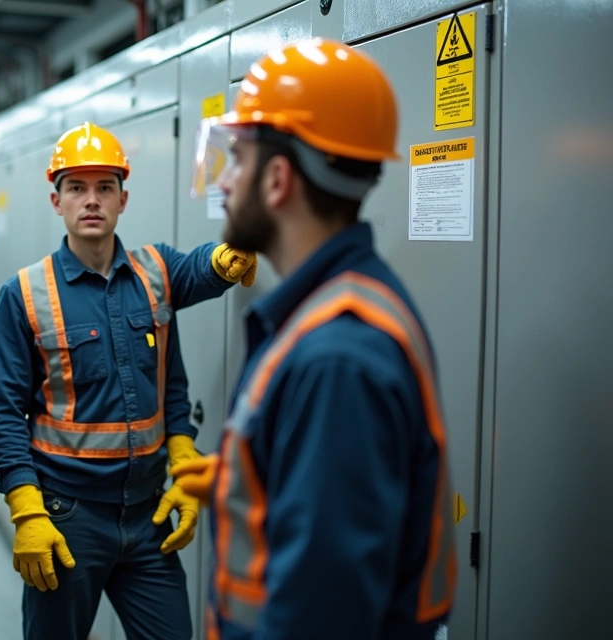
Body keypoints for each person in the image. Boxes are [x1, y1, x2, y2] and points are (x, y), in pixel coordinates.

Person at [171, 38, 457, 639]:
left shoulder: (336, 358)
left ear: (277, 180)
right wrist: (253, 473)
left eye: (238, 160)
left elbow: (319, 616)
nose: (224, 183)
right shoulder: (344, 308)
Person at [0, 121, 259, 639]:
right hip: (67, 517)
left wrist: (227, 256)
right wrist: (26, 510)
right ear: (55, 199)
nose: (92, 200)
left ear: (123, 199)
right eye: (77, 188)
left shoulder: (155, 271)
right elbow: (1, 412)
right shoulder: (24, 294)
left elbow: (200, 270)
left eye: (104, 187)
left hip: (149, 515)